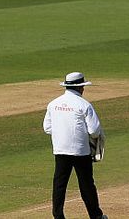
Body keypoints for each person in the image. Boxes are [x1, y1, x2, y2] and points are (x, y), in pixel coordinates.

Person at [43, 72, 107, 219]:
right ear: (80, 88)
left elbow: (47, 128)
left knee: (59, 184)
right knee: (86, 185)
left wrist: (62, 133)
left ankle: (58, 216)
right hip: (80, 151)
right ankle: (96, 216)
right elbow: (95, 131)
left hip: (60, 149)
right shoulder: (84, 105)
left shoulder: (53, 104)